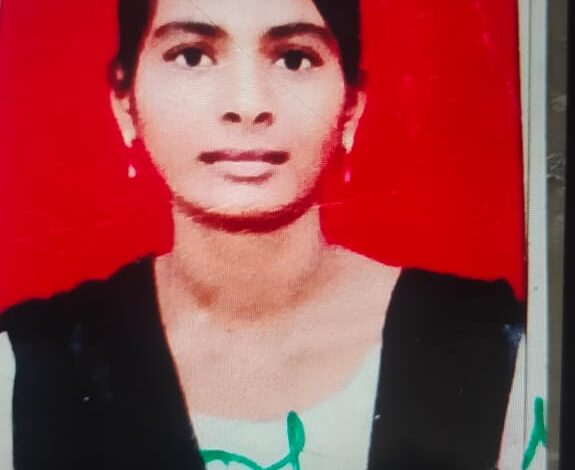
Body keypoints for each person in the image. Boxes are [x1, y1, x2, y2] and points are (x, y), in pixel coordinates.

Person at [0, 0, 525, 469]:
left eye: (294, 59)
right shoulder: (25, 367)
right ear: (125, 103)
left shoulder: (504, 350)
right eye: (192, 56)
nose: (248, 105)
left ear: (351, 107)